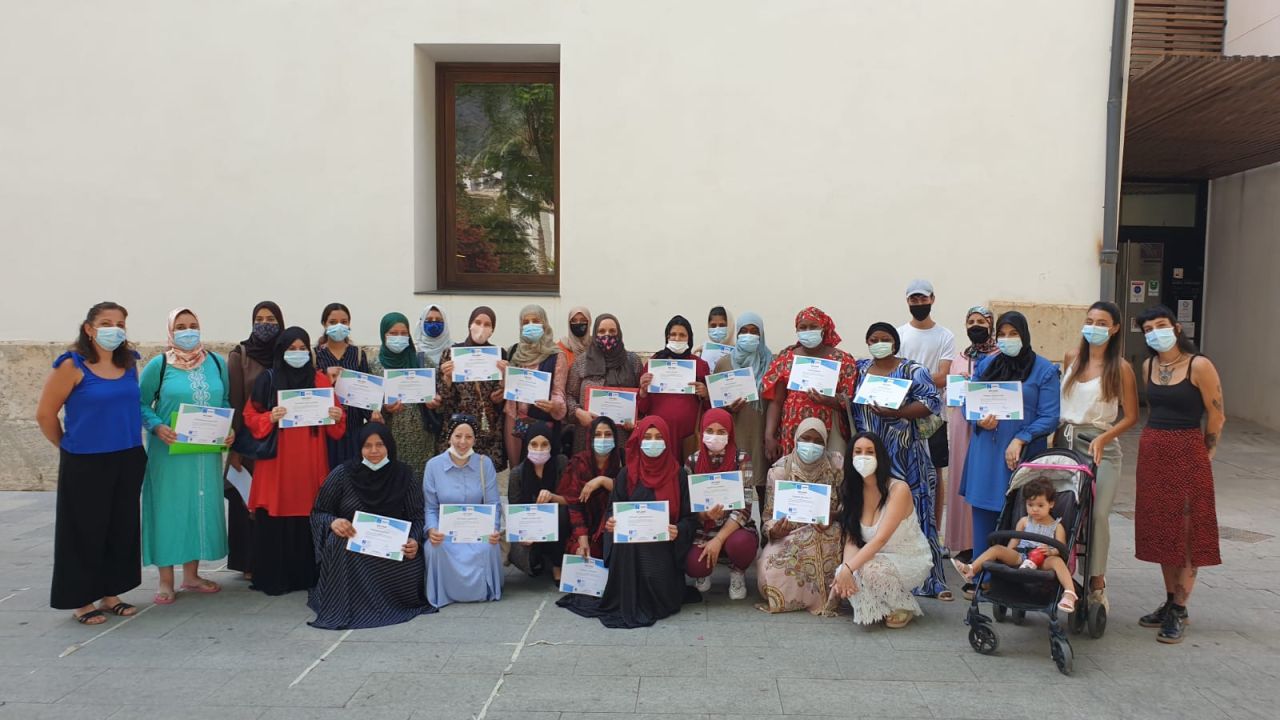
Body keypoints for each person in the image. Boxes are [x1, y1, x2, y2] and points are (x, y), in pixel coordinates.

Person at [36, 302, 146, 624]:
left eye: (120, 324)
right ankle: (81, 600)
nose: (115, 329)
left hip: (127, 455)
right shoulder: (71, 365)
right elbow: (45, 414)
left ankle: (111, 593)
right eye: (106, 323)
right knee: (83, 530)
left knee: (120, 527)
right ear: (89, 328)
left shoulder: (129, 363)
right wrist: (66, 446)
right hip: (86, 460)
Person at [1133, 305, 1223, 644]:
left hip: (1187, 451)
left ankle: (1180, 608)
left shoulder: (1199, 365)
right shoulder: (1149, 366)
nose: (1155, 333)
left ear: (1176, 328)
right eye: (1148, 329)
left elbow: (1217, 414)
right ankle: (1170, 600)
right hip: (1153, 453)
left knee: (1186, 531)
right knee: (1162, 528)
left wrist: (1206, 452)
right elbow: (1153, 409)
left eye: (1161, 325)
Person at [557, 416, 699, 628]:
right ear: (639, 440)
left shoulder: (678, 474)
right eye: (648, 437)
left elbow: (690, 518)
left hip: (663, 546)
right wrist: (611, 524)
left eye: (658, 437)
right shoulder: (628, 474)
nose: (653, 442)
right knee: (630, 549)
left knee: (652, 560)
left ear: (667, 441)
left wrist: (678, 530)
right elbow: (612, 511)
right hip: (630, 547)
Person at [242, 327, 347, 595]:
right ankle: (273, 577)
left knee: (307, 511)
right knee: (276, 514)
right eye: (292, 349)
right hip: (277, 463)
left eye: (302, 349)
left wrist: (337, 416)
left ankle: (305, 576)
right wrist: (270, 417)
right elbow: (250, 417)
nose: (297, 353)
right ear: (281, 351)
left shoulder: (320, 380)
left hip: (310, 461)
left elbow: (337, 428)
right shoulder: (268, 379)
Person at [138, 308, 232, 605]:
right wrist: (157, 426)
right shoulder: (159, 365)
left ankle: (191, 575)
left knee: (198, 506)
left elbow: (224, 400)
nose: (187, 331)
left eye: (193, 325)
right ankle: (166, 580)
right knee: (168, 509)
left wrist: (228, 429)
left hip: (204, 452)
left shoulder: (215, 363)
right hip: (169, 451)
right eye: (180, 326)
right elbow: (140, 403)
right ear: (170, 331)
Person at [850, 322, 949, 600]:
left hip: (904, 456)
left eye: (885, 338)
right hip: (867, 457)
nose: (879, 343)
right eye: (873, 339)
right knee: (871, 513)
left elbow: (931, 402)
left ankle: (929, 580)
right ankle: (873, 572)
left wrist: (899, 412)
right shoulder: (860, 370)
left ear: (895, 342)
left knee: (915, 513)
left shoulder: (912, 370)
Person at [1056, 301, 1138, 612]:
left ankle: (1096, 582)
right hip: (1066, 441)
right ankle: (1055, 572)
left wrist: (1105, 436)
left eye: (1102, 323)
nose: (1094, 327)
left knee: (1099, 514)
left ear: (1115, 328)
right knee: (1060, 509)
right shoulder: (1072, 358)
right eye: (1090, 320)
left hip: (1101, 445)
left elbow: (1131, 416)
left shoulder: (1121, 368)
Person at [308, 423, 431, 629]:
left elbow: (418, 517)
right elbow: (319, 512)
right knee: (337, 541)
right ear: (359, 448)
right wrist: (333, 522)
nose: (374, 451)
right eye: (367, 445)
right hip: (353, 551)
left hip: (391, 551)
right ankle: (347, 606)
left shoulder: (405, 475)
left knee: (410, 567)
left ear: (389, 446)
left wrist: (414, 540)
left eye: (380, 445)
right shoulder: (342, 474)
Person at [961, 312, 1061, 564]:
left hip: (1021, 455)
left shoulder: (1045, 370)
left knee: (1019, 514)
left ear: (1024, 335)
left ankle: (1013, 572)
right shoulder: (987, 364)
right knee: (983, 513)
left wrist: (1021, 438)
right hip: (986, 452)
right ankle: (981, 572)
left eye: (1013, 334)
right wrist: (977, 420)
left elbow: (1050, 416)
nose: (1007, 339)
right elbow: (968, 403)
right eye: (1002, 334)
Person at [832, 432, 933, 627]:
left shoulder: (898, 489)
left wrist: (850, 569)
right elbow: (852, 539)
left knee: (867, 570)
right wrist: (844, 570)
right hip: (876, 557)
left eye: (870, 452)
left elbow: (880, 539)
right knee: (845, 572)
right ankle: (880, 602)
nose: (863, 457)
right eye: (858, 452)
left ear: (880, 456)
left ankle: (903, 605)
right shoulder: (852, 491)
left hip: (908, 558)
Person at [757, 418, 844, 615]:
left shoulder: (836, 465)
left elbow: (848, 503)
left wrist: (834, 515)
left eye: (818, 441)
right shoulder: (780, 471)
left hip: (827, 532)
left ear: (825, 443)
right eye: (806, 439)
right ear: (796, 439)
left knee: (837, 536)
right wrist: (775, 531)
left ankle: (828, 594)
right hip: (790, 535)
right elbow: (768, 517)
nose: (811, 445)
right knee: (769, 573)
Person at [952, 477, 1078, 613]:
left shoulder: (1057, 526)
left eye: (1040, 505)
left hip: (1043, 560)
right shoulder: (1024, 521)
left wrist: (1051, 551)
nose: (1035, 509)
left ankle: (1069, 593)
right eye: (1030, 505)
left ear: (1051, 504)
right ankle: (971, 569)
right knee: (996, 549)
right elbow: (1015, 540)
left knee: (1058, 562)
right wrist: (1007, 552)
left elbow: (1061, 548)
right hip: (1021, 556)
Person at [226, 301, 284, 580]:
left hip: (282, 441)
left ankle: (273, 557)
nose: (264, 324)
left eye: (271, 319)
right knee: (245, 501)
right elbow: (236, 402)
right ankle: (247, 561)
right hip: (249, 442)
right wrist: (235, 448)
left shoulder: (288, 352)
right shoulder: (240, 355)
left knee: (274, 500)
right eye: (259, 319)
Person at [423, 414, 503, 607]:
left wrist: (493, 529)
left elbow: (494, 504)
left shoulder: (485, 464)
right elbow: (430, 507)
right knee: (435, 548)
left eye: (469, 437)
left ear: (475, 439)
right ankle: (444, 593)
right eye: (458, 436)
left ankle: (483, 591)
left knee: (488, 546)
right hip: (446, 533)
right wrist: (432, 530)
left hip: (477, 531)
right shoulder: (433, 466)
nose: (463, 442)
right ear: (449, 437)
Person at [760, 307, 858, 461]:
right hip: (792, 429)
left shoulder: (843, 360)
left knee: (829, 470)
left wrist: (829, 400)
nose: (808, 331)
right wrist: (769, 436)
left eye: (813, 327)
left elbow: (850, 401)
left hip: (829, 430)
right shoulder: (786, 358)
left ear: (823, 329)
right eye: (803, 327)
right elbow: (776, 402)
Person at [897, 280, 956, 535]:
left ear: (932, 299)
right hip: (902, 414)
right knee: (902, 471)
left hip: (934, 416)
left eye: (923, 299)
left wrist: (910, 379)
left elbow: (943, 377)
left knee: (935, 472)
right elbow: (893, 372)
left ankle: (934, 531)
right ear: (907, 301)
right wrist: (920, 380)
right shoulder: (898, 334)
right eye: (914, 299)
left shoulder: (945, 336)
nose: (919, 303)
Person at [945, 306, 996, 598]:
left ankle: (982, 544)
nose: (976, 326)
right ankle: (963, 544)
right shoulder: (960, 358)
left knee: (980, 481)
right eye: (971, 321)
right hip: (960, 423)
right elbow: (951, 393)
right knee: (960, 481)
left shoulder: (999, 356)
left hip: (987, 425)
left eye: (981, 321)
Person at [684, 408, 758, 600]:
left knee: (741, 545)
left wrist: (718, 539)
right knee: (694, 565)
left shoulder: (741, 459)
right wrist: (704, 515)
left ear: (730, 433)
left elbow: (744, 508)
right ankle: (704, 572)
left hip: (735, 528)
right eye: (710, 431)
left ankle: (737, 572)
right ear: (702, 432)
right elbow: (688, 506)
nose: (715, 436)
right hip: (704, 530)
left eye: (721, 431)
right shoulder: (692, 461)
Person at [712, 311, 772, 511]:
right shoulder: (724, 363)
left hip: (761, 432)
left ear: (761, 334)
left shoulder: (770, 363)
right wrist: (728, 408)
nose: (749, 335)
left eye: (754, 331)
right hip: (735, 431)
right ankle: (738, 524)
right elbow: (715, 406)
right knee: (735, 486)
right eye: (744, 331)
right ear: (737, 334)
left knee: (763, 486)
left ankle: (765, 525)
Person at [437, 307, 509, 470]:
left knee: (484, 474)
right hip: (458, 428)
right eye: (477, 322)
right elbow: (444, 399)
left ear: (492, 330)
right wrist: (447, 378)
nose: (481, 327)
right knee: (456, 472)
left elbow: (500, 397)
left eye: (487, 324)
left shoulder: (499, 354)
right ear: (470, 324)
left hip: (487, 428)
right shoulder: (451, 353)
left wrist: (502, 385)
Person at [369, 311, 436, 474]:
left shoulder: (422, 361)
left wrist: (436, 402)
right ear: (383, 335)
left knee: (418, 480)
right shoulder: (373, 366)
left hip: (421, 439)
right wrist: (384, 409)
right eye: (393, 333)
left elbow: (441, 397)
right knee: (392, 480)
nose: (399, 337)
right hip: (389, 437)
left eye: (404, 333)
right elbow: (369, 406)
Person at [506, 421, 573, 582]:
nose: (539, 449)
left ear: (551, 445)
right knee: (530, 561)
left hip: (559, 529)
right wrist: (524, 533)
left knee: (562, 513)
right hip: (531, 530)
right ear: (527, 445)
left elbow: (572, 499)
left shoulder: (561, 463)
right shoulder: (517, 473)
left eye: (544, 444)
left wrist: (552, 497)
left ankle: (557, 564)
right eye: (534, 444)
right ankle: (539, 559)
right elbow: (515, 511)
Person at [503, 304, 568, 468]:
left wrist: (555, 406)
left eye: (536, 321)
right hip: (514, 422)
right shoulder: (514, 352)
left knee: (541, 470)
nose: (530, 325)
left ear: (544, 323)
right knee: (518, 469)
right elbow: (508, 385)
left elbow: (559, 391)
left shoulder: (556, 355)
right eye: (526, 322)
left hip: (542, 422)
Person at [565, 313, 642, 452]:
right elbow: (569, 394)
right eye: (601, 331)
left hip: (622, 436)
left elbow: (641, 398)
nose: (607, 335)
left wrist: (635, 420)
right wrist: (578, 412)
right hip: (588, 433)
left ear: (619, 333)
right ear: (595, 334)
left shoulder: (632, 361)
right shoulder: (582, 361)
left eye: (612, 331)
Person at [637, 315, 710, 457]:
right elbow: (642, 408)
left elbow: (709, 406)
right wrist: (643, 392)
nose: (677, 339)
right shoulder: (654, 363)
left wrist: (706, 394)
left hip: (689, 435)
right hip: (658, 434)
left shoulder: (700, 365)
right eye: (673, 335)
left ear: (689, 338)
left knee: (687, 468)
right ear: (667, 337)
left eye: (682, 335)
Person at [314, 303, 371, 469]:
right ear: (324, 324)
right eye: (333, 322)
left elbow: (366, 390)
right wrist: (325, 378)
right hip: (327, 428)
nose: (339, 326)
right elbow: (310, 390)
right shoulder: (315, 355)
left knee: (354, 474)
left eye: (344, 322)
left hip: (354, 427)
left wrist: (373, 412)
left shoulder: (358, 354)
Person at [558, 416, 623, 560]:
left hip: (613, 524)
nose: (603, 439)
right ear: (590, 438)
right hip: (584, 524)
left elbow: (629, 491)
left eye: (608, 434)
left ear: (615, 438)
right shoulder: (579, 462)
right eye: (598, 435)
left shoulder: (623, 460)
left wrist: (603, 481)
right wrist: (582, 538)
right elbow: (574, 504)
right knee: (581, 552)